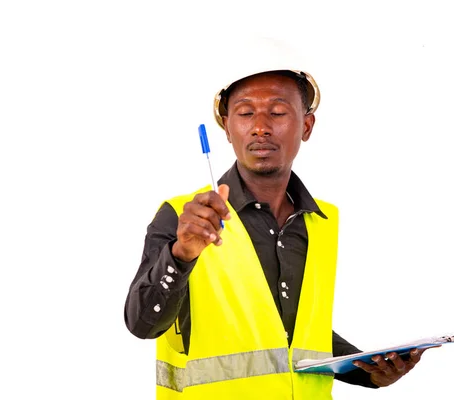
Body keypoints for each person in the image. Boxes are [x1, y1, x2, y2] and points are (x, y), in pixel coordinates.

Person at [124, 40, 432, 399]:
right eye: (245, 113)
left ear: (307, 125)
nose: (260, 127)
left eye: (277, 112)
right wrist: (181, 255)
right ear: (226, 128)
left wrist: (370, 373)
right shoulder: (184, 217)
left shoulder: (321, 221)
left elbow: (297, 340)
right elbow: (142, 324)